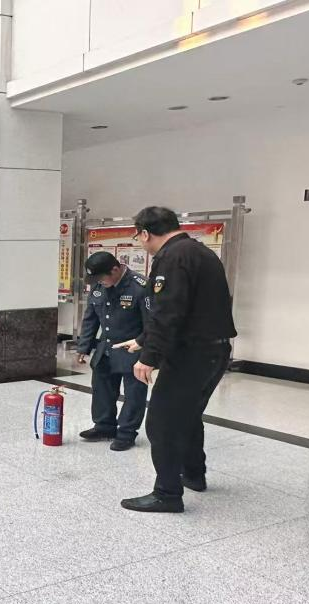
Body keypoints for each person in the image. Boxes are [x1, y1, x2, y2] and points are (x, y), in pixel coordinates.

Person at [116, 206, 237, 513]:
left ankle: (167, 494)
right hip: (214, 350)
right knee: (188, 414)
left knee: (162, 422)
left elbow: (168, 312)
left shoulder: (171, 257)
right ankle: (193, 474)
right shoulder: (199, 252)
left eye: (137, 236)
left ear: (145, 233)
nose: (139, 241)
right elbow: (186, 308)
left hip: (190, 354)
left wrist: (148, 357)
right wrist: (142, 340)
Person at [76, 251, 151, 452]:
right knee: (101, 389)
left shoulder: (140, 286)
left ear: (115, 269)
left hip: (133, 349)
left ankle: (126, 433)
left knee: (134, 394)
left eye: (102, 278)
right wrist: (84, 346)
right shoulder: (99, 286)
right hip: (106, 348)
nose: (99, 282)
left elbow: (152, 324)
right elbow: (90, 318)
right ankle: (104, 426)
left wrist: (147, 353)